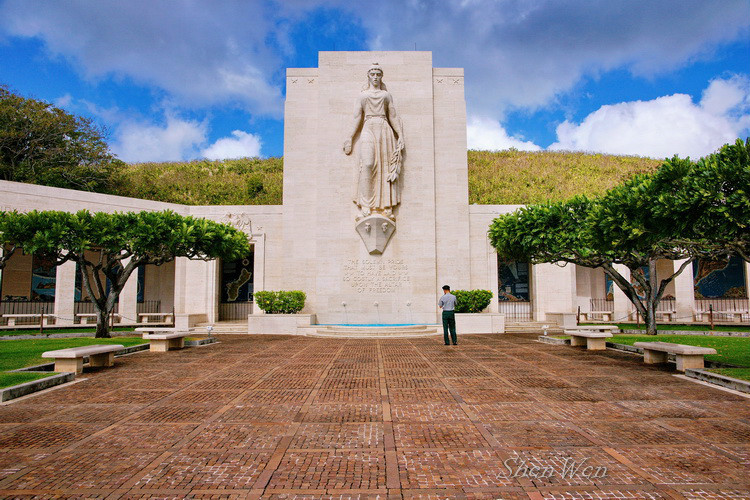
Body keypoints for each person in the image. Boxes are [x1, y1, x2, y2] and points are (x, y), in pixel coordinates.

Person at [343, 63, 404, 220]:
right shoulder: (362, 96)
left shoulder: (386, 96)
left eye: (378, 74)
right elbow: (357, 117)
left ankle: (386, 206)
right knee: (368, 164)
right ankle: (366, 204)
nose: (375, 77)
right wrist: (349, 137)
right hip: (368, 127)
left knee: (385, 167)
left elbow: (393, 116)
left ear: (381, 76)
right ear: (368, 76)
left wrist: (400, 135)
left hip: (384, 129)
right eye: (373, 74)